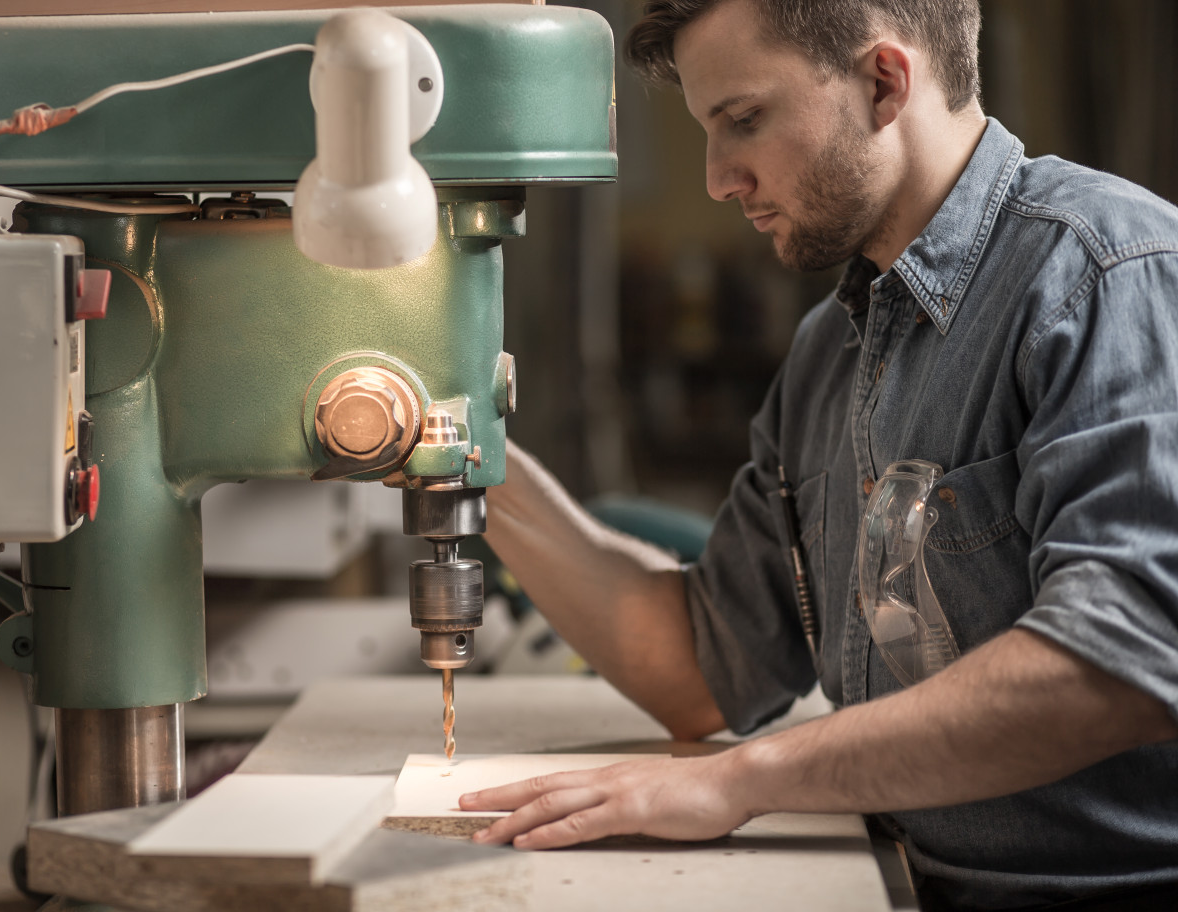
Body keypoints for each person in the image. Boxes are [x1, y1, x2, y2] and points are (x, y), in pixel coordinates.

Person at [456, 0, 1178, 909]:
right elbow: (699, 666)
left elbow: (1122, 662)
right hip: (903, 882)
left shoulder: (1105, 272)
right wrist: (463, 453)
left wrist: (740, 779)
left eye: (743, 121)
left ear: (884, 82)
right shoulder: (829, 357)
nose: (719, 179)